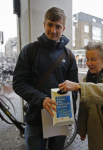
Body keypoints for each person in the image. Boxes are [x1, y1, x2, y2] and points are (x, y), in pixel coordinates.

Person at [12, 7, 78, 150]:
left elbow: (74, 89)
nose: (53, 30)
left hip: (60, 118)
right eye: (50, 24)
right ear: (44, 24)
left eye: (58, 26)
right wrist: (41, 99)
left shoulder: (69, 56)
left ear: (63, 28)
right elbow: (18, 83)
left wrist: (70, 114)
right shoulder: (30, 51)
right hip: (35, 118)